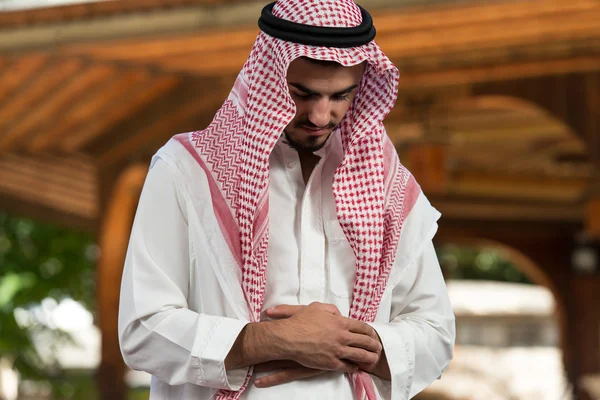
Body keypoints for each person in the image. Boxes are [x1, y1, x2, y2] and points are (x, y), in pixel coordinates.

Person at [118, 1, 455, 399]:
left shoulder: (388, 186)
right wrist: (272, 341)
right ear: (267, 80)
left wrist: (345, 345)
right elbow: (142, 329)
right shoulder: (185, 171)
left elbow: (435, 334)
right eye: (302, 94)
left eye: (341, 97)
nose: (320, 115)